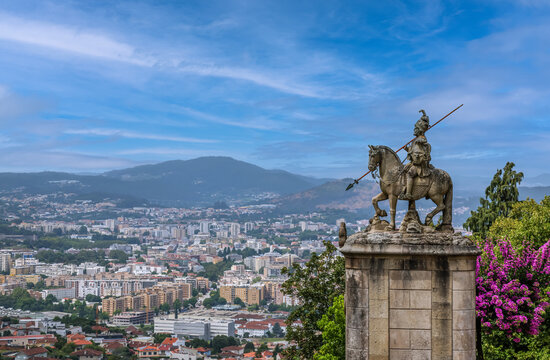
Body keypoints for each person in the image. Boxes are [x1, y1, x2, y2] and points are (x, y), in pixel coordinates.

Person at [399, 110, 433, 200]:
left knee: (410, 173)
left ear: (419, 130)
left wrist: (420, 140)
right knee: (402, 170)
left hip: (419, 165)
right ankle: (403, 190)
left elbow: (424, 144)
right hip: (413, 162)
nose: (415, 131)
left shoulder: (421, 138)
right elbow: (413, 150)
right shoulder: (415, 140)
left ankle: (408, 194)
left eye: (416, 129)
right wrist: (407, 149)